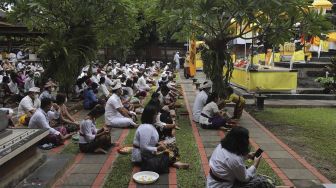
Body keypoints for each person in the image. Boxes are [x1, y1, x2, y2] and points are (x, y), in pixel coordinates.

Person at [207, 127, 274, 188]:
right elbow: (245, 178)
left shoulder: (221, 146)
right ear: (243, 142)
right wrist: (255, 164)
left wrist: (247, 156)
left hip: (212, 181)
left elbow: (230, 159)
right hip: (223, 185)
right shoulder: (235, 160)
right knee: (260, 183)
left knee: (247, 171)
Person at [131, 104, 189, 173]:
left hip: (147, 152)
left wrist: (159, 143)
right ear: (151, 116)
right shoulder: (146, 128)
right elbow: (143, 147)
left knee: (172, 147)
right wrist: (157, 148)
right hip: (141, 156)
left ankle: (172, 162)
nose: (158, 116)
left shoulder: (150, 125)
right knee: (166, 153)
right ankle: (174, 163)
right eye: (156, 114)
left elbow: (149, 141)